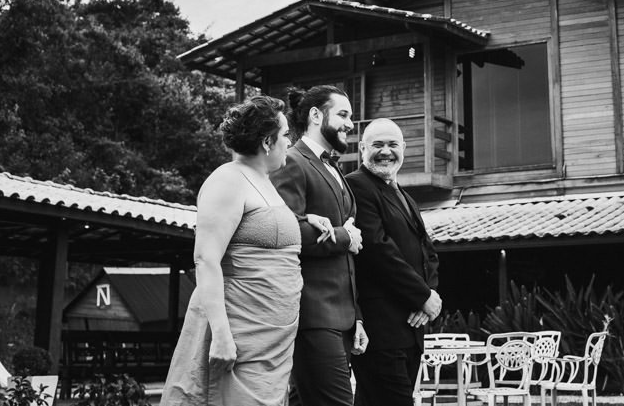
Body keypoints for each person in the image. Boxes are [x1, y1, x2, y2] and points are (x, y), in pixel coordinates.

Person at [162, 95, 313, 406]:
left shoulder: (266, 182)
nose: (290, 142)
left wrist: (311, 220)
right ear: (268, 142)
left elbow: (269, 231)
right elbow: (206, 259)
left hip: (271, 341)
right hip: (237, 333)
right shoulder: (228, 179)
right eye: (286, 135)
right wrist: (221, 335)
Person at [271, 85, 368, 406]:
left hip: (341, 319)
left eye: (351, 117)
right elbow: (285, 232)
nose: (350, 124)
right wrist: (345, 237)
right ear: (315, 115)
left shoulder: (335, 168)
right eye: (343, 114)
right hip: (312, 315)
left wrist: (358, 318)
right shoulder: (291, 162)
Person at [345, 118, 441, 406]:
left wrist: (429, 297)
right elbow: (377, 250)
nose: (386, 151)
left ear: (404, 149)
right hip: (380, 329)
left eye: (393, 145)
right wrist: (422, 295)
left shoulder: (406, 197)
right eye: (377, 145)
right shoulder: (356, 186)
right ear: (362, 148)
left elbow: (428, 252)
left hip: (411, 327)